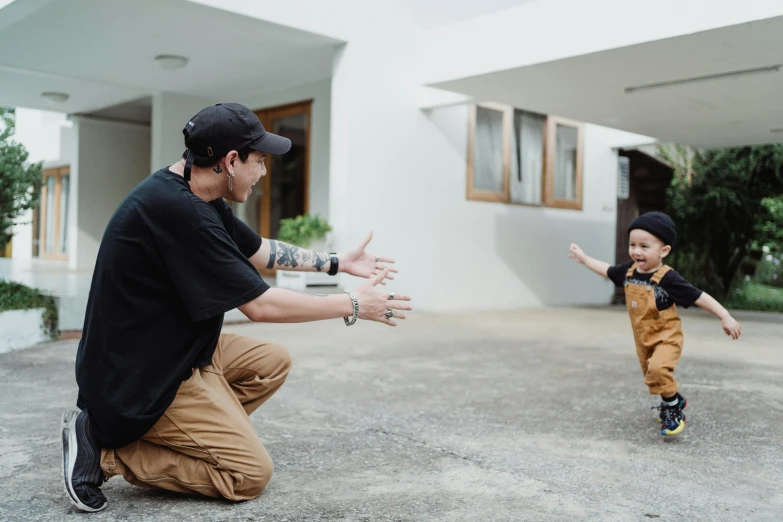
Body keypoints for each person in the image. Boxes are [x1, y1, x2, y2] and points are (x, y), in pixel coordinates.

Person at [61, 103, 412, 512]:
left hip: (177, 351)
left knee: (270, 362)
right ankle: (105, 452)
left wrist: (338, 263)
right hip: (141, 380)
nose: (263, 172)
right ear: (230, 161)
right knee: (248, 474)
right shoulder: (181, 214)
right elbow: (261, 307)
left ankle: (192, 436)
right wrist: (352, 303)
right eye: (259, 161)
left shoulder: (195, 194)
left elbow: (260, 252)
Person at [568, 211, 741, 437]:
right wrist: (585, 259)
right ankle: (675, 399)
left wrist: (724, 316)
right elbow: (607, 269)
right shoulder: (629, 272)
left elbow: (698, 296)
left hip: (667, 337)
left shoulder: (667, 278)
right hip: (643, 339)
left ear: (664, 250)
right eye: (632, 244)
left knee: (659, 369)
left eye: (644, 246)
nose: (636, 251)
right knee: (653, 375)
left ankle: (673, 410)